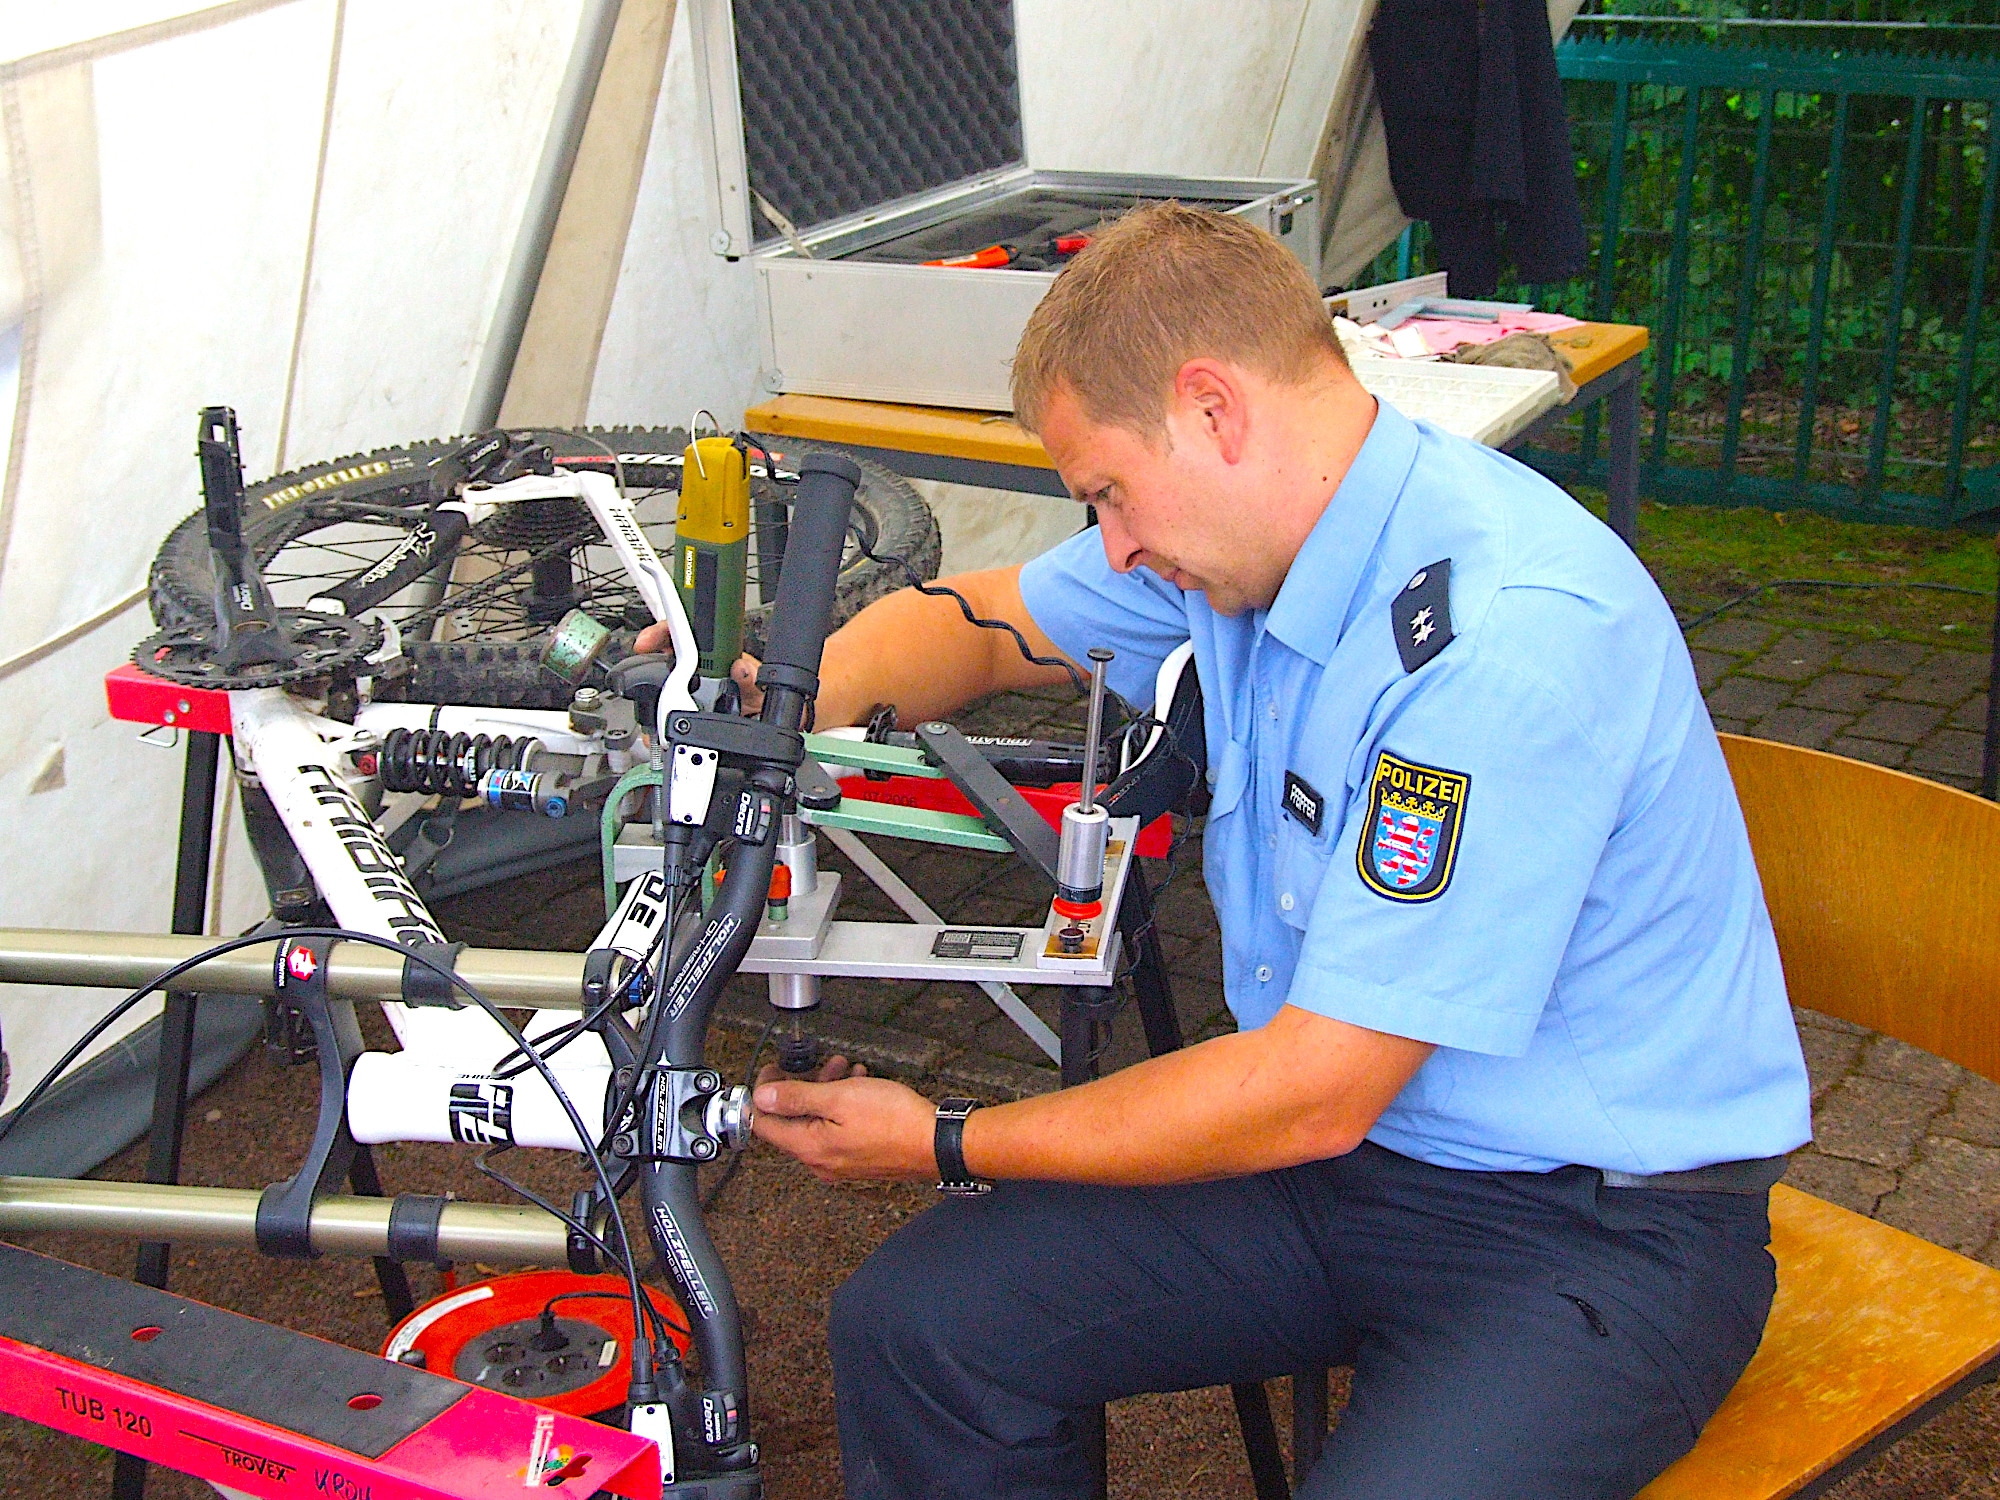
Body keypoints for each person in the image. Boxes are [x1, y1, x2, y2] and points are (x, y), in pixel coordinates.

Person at [640, 203, 1812, 1499]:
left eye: (1108, 495)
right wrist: (779, 694)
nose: (1117, 546)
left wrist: (950, 1140)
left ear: (1213, 412)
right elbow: (984, 626)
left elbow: (1314, 1085)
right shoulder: (1239, 547)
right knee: (921, 1331)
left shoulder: (1502, 637)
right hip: (1346, 1162)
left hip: (1595, 1230)